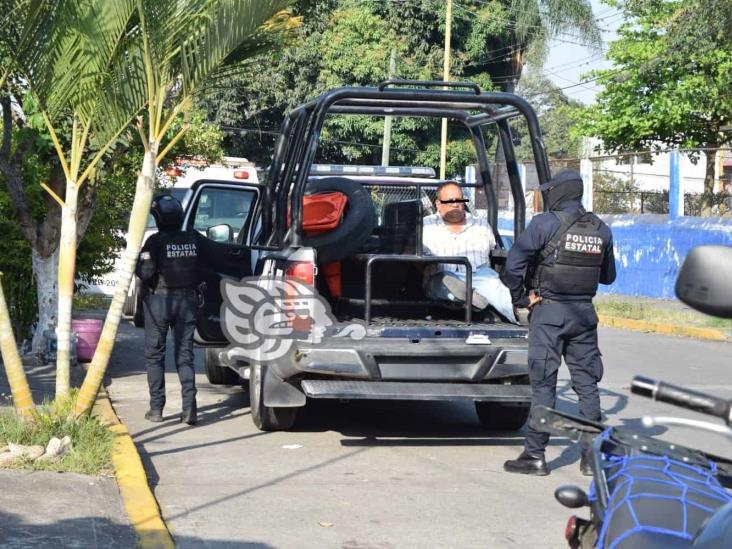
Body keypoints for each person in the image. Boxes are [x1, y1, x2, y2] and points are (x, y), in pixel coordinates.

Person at [500, 169, 616, 476]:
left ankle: (535, 456)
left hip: (549, 313)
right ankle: (591, 459)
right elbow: (608, 277)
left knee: (544, 385)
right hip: (584, 315)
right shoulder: (601, 229)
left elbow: (513, 267)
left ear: (557, 192)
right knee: (587, 386)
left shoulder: (544, 223)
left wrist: (522, 298)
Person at [136, 194, 208, 425]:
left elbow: (146, 273)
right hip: (187, 302)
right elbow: (212, 263)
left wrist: (139, 265)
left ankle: (156, 409)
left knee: (155, 355)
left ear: (158, 218)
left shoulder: (154, 242)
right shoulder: (194, 239)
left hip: (159, 303)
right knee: (184, 356)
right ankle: (190, 409)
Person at [422, 181, 516, 322]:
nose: (456, 204)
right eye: (450, 201)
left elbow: (492, 248)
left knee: (496, 288)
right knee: (442, 282)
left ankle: (519, 314)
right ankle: (470, 296)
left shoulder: (481, 224)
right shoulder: (425, 225)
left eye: (459, 200)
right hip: (443, 275)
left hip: (479, 275)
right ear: (438, 204)